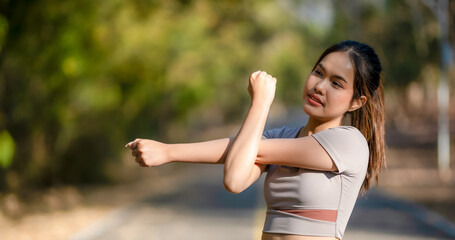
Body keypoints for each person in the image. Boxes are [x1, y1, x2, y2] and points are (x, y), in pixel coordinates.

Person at [125, 40, 385, 240]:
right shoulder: (283, 138)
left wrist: (260, 103)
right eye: (319, 72)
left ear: (356, 102)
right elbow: (236, 179)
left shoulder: (349, 143)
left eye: (336, 84)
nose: (319, 86)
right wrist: (167, 152)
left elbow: (244, 156)